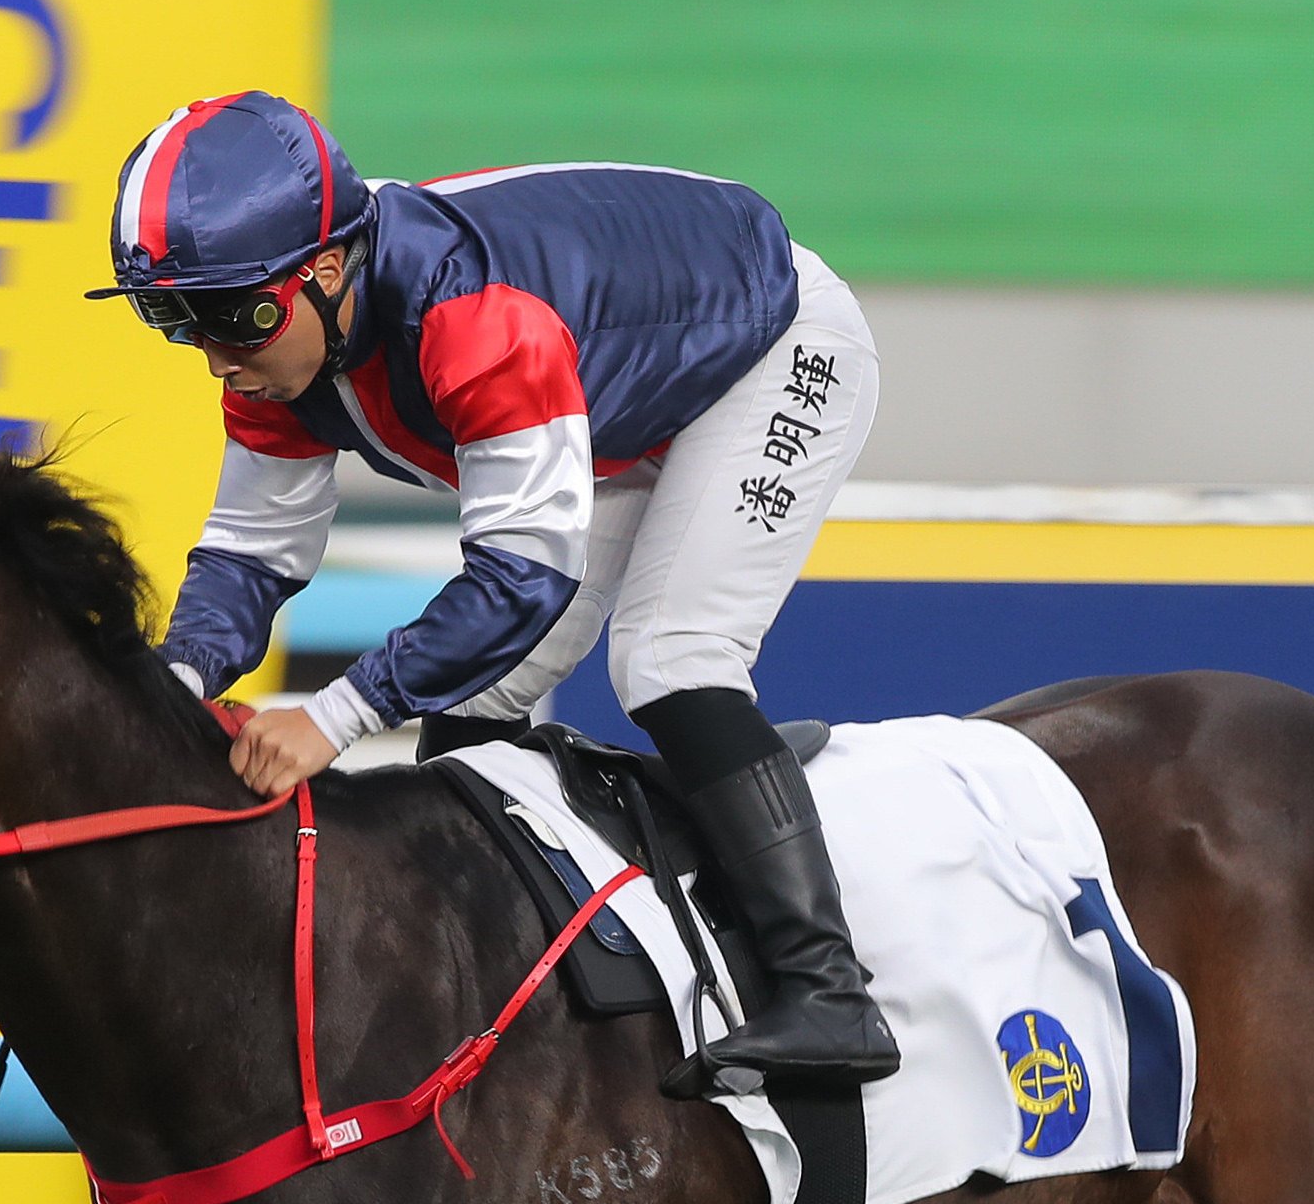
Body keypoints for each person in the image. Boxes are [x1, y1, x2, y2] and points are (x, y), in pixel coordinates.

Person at [89, 90, 897, 1099]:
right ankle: (486, 971)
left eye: (233, 315)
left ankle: (829, 991)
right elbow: (251, 557)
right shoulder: (285, 342)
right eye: (178, 320)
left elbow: (521, 579)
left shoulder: (470, 319)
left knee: (671, 656)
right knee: (474, 693)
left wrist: (332, 719)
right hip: (614, 384)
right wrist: (168, 685)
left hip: (768, 347)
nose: (216, 353)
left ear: (328, 269)